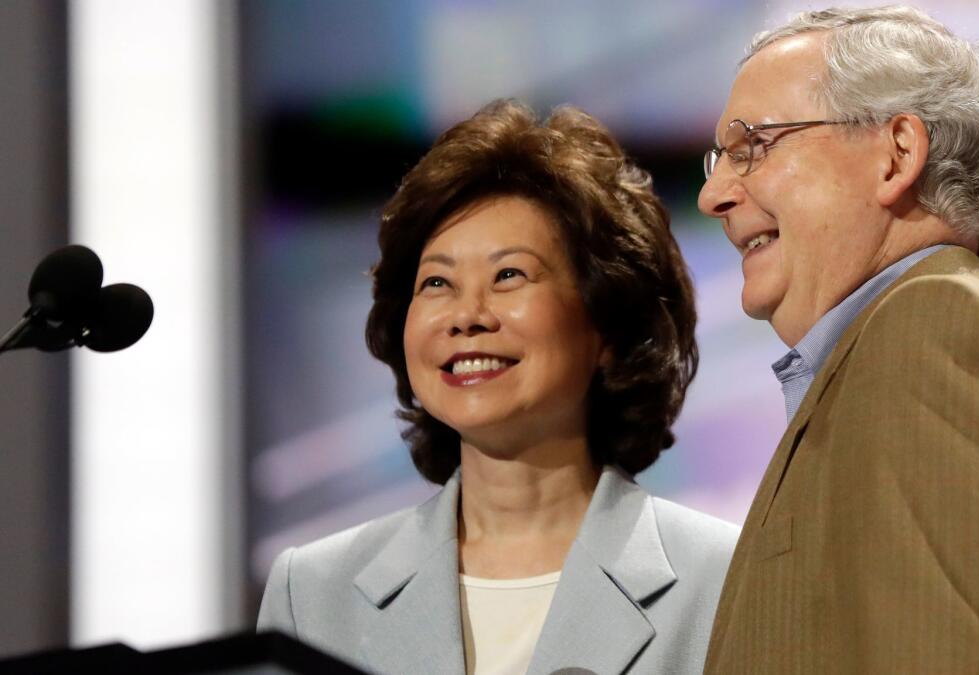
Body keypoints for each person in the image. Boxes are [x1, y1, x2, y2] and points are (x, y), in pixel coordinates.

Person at [696, 6, 979, 674]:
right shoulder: (938, 339)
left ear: (896, 153)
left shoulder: (933, 337)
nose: (714, 194)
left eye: (751, 146)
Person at [257, 100, 739, 674]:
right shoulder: (311, 593)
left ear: (607, 324)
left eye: (509, 275)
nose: (467, 316)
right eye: (436, 282)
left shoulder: (723, 577)